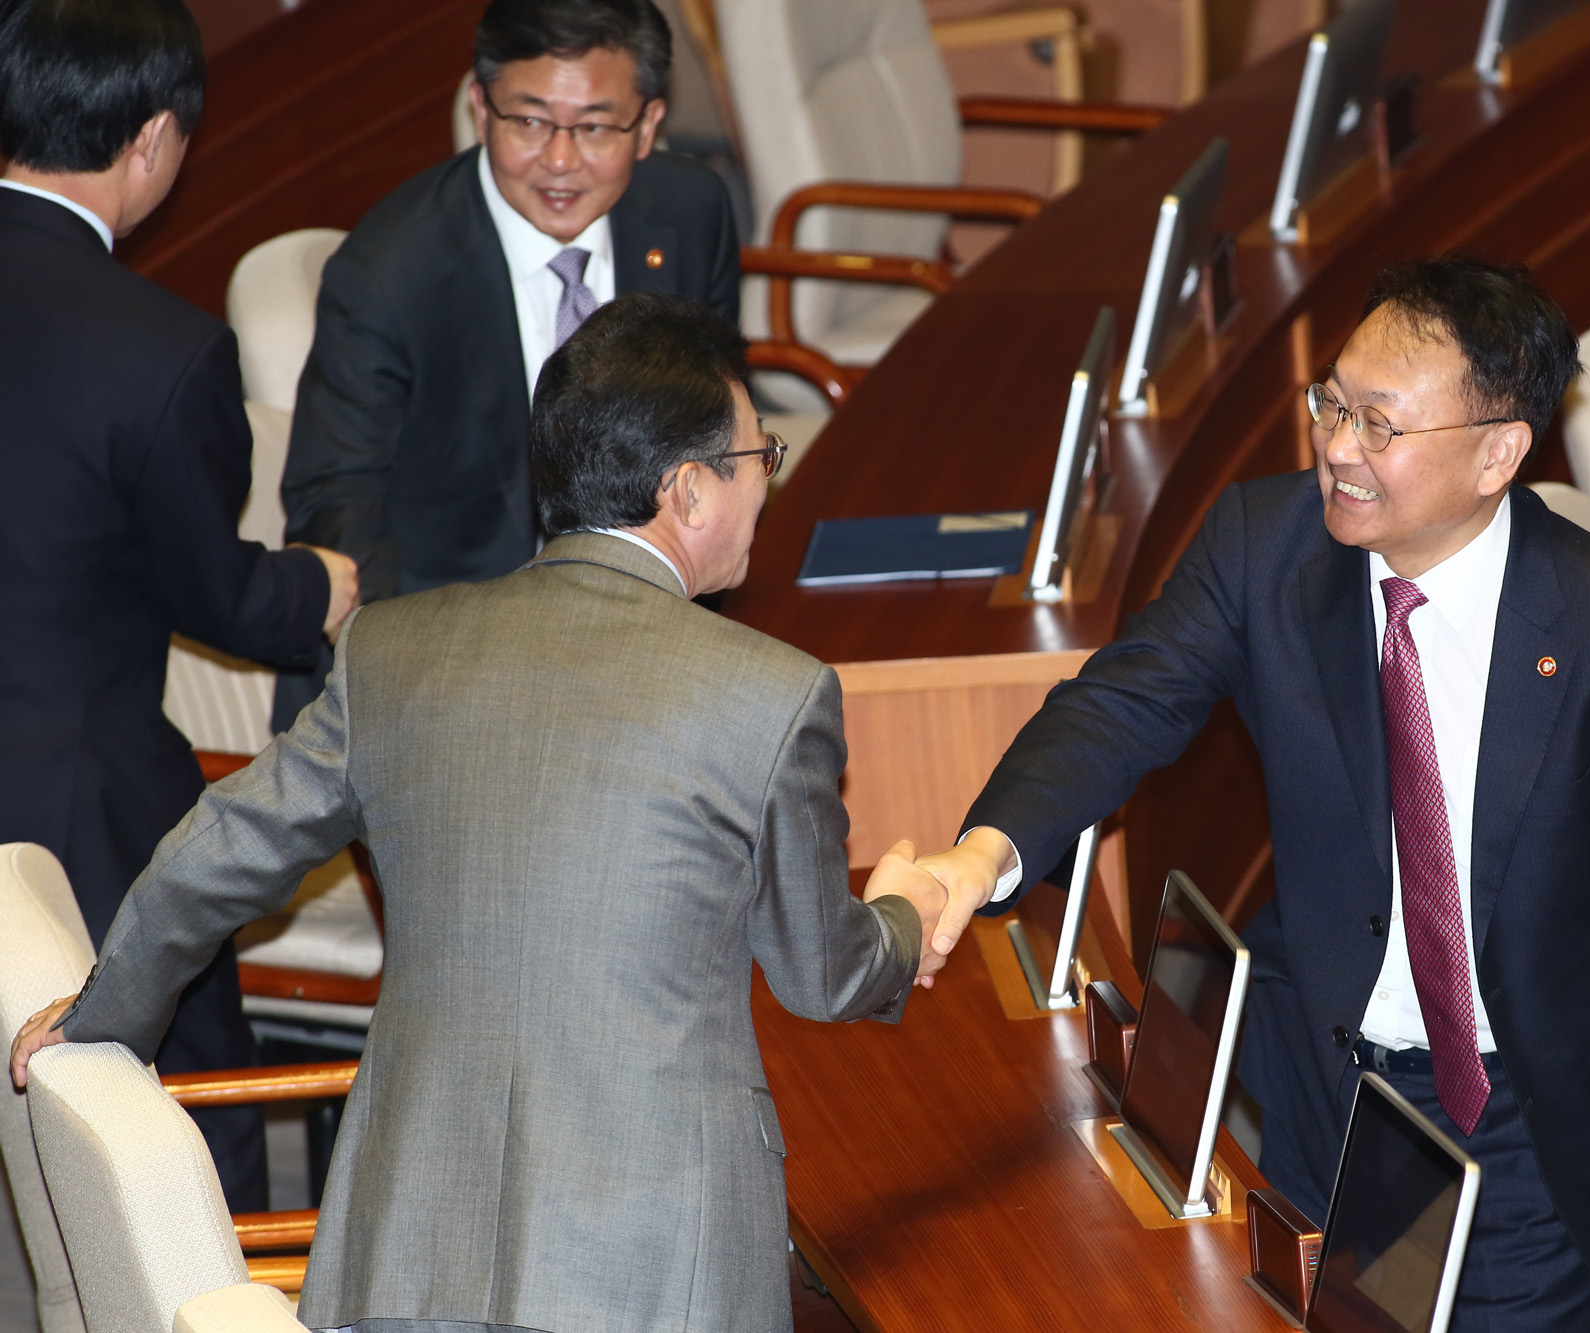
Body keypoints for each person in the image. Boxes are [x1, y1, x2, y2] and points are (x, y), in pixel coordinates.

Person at [13, 292, 948, 1333]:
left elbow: (222, 846)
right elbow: (824, 975)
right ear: (688, 490)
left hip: (407, 1258)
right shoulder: (771, 693)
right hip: (651, 1276)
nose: (765, 483)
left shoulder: (396, 651)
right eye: (756, 458)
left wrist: (107, 1014)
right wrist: (906, 915)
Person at [917, 259, 1590, 1330]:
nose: (1335, 446)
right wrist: (980, 852)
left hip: (1531, 1122)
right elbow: (1120, 707)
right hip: (1329, 1092)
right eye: (1329, 402)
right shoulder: (1259, 549)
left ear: (1497, 451)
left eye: (1379, 424)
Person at [0, 0, 360, 1212]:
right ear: (153, 139)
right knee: (197, 1114)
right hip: (81, 822)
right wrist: (323, 581)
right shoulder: (164, 351)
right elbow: (224, 597)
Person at [274, 0, 742, 730]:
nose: (559, 159)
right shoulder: (392, 271)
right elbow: (336, 502)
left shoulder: (691, 212)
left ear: (648, 125)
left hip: (645, 638)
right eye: (528, 121)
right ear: (479, 107)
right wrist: (445, 696)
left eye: (593, 126)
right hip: (447, 659)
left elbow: (711, 440)